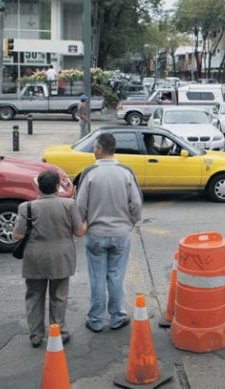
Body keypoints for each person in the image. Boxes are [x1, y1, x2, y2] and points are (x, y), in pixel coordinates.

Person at [76, 133, 143, 333]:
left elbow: (79, 207)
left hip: (96, 234)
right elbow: (137, 204)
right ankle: (117, 317)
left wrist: (84, 224)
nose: (93, 151)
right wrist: (131, 222)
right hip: (121, 233)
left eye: (95, 148)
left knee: (97, 277)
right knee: (116, 276)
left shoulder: (89, 173)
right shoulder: (126, 172)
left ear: (99, 149)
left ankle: (95, 320)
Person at [13, 170, 87, 348]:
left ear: (38, 186)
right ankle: (58, 331)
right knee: (59, 296)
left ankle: (36, 335)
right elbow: (79, 232)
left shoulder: (26, 207)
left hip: (35, 258)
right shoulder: (69, 205)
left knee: (34, 296)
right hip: (61, 257)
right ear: (56, 186)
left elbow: (17, 235)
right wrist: (87, 221)